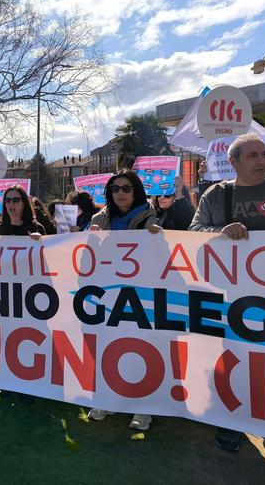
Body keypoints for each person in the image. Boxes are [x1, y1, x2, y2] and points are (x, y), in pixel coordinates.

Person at [189, 134, 265, 466]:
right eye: (251, 156)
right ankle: (233, 422)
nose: (261, 161)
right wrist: (220, 232)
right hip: (234, 299)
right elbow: (193, 232)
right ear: (232, 163)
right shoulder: (217, 195)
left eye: (264, 154)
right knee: (235, 360)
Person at [87, 171, 161, 430]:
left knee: (140, 350)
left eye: (126, 188)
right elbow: (85, 260)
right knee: (108, 348)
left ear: (136, 191)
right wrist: (91, 239)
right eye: (115, 188)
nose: (120, 192)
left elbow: (163, 260)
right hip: (107, 294)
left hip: (139, 296)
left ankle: (143, 408)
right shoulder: (98, 218)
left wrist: (157, 238)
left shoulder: (151, 217)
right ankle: (107, 399)